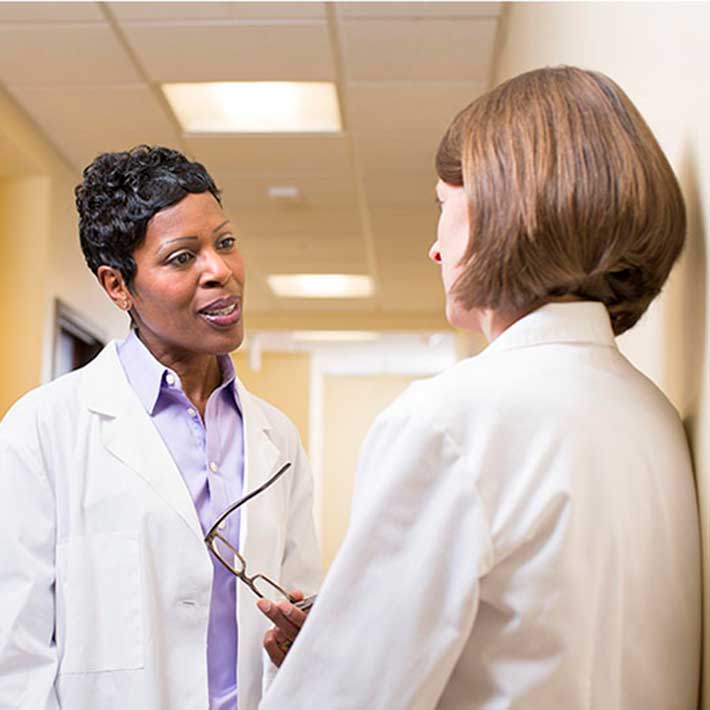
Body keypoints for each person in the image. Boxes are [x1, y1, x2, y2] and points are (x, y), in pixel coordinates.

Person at [257, 67, 702, 709]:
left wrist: (323, 665)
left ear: (500, 209)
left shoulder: (453, 419)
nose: (436, 250)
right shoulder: (649, 413)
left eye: (444, 207)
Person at [0, 146, 320, 710]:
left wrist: (304, 642)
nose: (219, 271)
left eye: (224, 243)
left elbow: (299, 615)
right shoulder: (43, 430)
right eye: (180, 258)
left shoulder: (277, 437)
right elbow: (15, 655)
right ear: (118, 286)